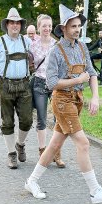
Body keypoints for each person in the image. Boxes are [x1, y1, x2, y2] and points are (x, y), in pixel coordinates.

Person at [24, 4, 102, 204]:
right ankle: (95, 192)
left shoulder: (82, 46)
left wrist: (95, 97)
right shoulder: (55, 51)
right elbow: (51, 83)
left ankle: (32, 181)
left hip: (77, 100)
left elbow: (92, 74)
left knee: (54, 145)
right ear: (64, 29)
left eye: (79, 26)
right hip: (62, 101)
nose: (77, 29)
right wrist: (78, 80)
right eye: (73, 26)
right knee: (83, 143)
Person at [0, 8, 33, 169]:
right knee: (7, 122)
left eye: (18, 23)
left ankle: (20, 144)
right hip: (5, 85)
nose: (15, 25)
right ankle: (11, 154)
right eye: (12, 22)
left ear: (21, 25)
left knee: (27, 120)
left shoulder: (27, 41)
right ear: (7, 24)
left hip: (24, 84)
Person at [29, 14, 65, 168]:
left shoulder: (57, 44)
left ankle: (56, 153)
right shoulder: (32, 45)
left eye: (49, 26)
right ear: (39, 27)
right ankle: (43, 152)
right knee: (42, 119)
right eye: (44, 26)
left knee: (58, 120)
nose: (47, 28)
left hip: (54, 84)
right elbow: (29, 65)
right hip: (38, 83)